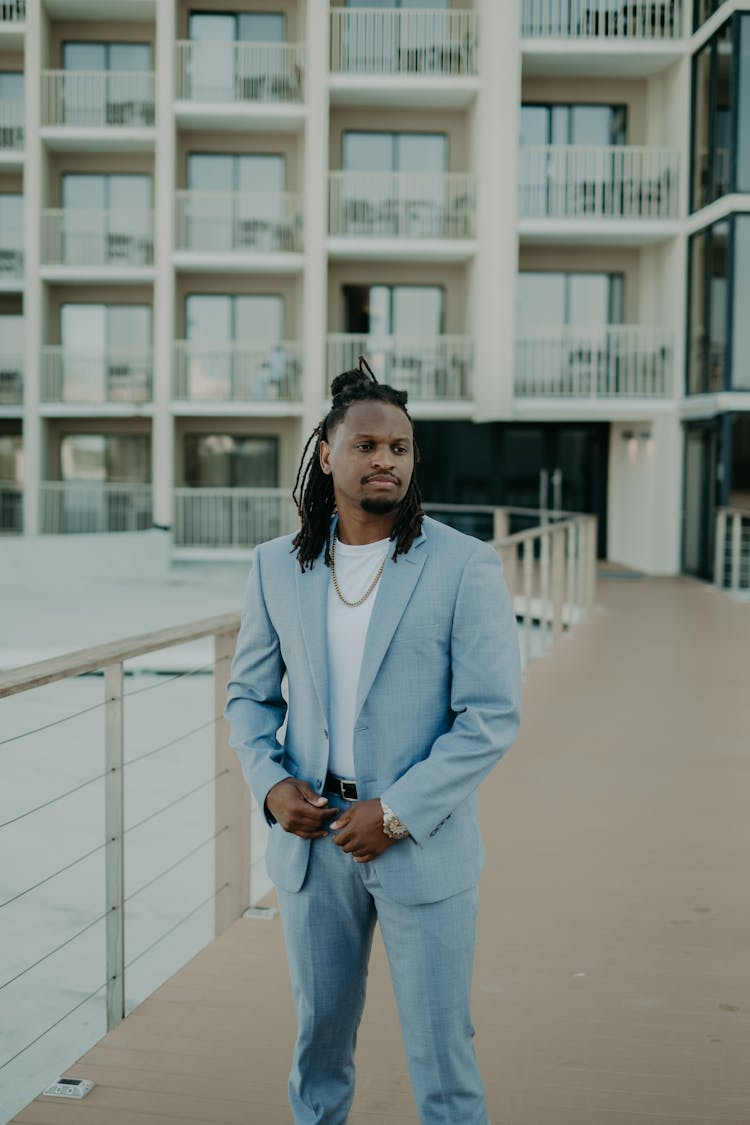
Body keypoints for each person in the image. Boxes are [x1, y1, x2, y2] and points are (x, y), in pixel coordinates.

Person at [225, 359, 521, 1124]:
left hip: (421, 843)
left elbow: (489, 715)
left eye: (399, 447)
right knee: (317, 1049)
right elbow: (249, 697)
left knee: (442, 1054)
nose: (384, 458)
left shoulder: (464, 565)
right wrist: (270, 782)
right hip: (314, 844)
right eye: (366, 445)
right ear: (327, 454)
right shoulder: (274, 568)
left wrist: (394, 813)